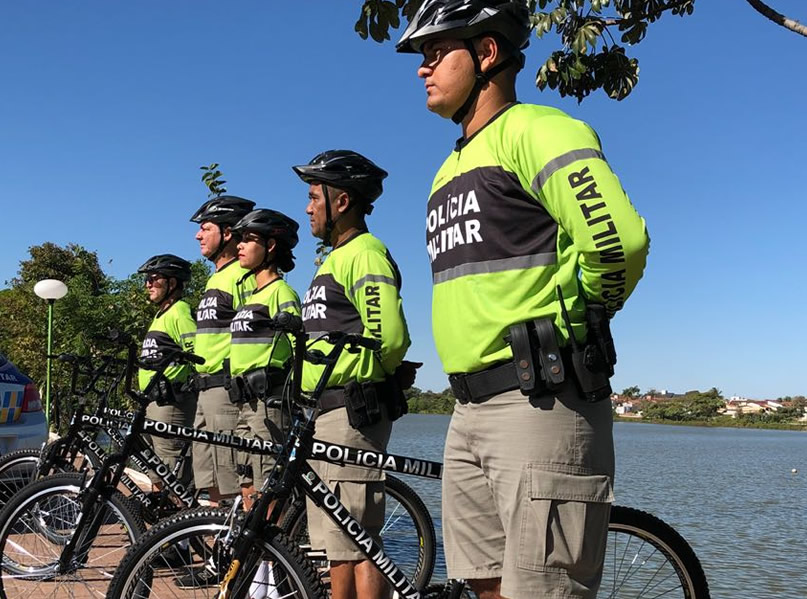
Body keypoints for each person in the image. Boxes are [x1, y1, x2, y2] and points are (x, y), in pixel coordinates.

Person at [396, 2, 650, 598]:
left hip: (538, 400)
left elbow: (620, 242)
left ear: (486, 54)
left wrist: (579, 320)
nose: (421, 69)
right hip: (467, 411)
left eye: (436, 53)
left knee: (546, 589)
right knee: (482, 584)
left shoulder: (537, 130)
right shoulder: (447, 169)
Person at [294, 150, 412, 599]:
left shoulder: (366, 254)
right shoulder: (333, 260)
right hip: (326, 412)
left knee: (358, 542)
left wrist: (368, 379)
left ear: (340, 201)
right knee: (336, 546)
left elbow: (390, 339)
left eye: (312, 197)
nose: (307, 208)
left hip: (351, 410)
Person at [226, 209, 302, 508]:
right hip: (243, 402)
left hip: (267, 404)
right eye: (240, 240)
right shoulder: (250, 297)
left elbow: (299, 347)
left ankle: (274, 554)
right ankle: (254, 553)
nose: (240, 246)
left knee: (268, 480)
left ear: (270, 246)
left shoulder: (281, 291)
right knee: (246, 477)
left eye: (248, 239)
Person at [189, 196, 257, 504]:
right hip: (204, 391)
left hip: (226, 391)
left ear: (227, 233)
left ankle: (254, 552)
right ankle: (218, 549)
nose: (197, 236)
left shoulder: (242, 276)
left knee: (238, 482)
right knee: (210, 482)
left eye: (205, 228)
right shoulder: (215, 278)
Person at [136, 254, 198, 492]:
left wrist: (179, 380)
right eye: (147, 280)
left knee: (171, 471)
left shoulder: (180, 312)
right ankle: (163, 522)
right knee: (156, 469)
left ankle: (179, 521)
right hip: (153, 402)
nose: (148, 284)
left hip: (171, 402)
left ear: (172, 283)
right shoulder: (162, 314)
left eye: (154, 279)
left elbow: (196, 353)